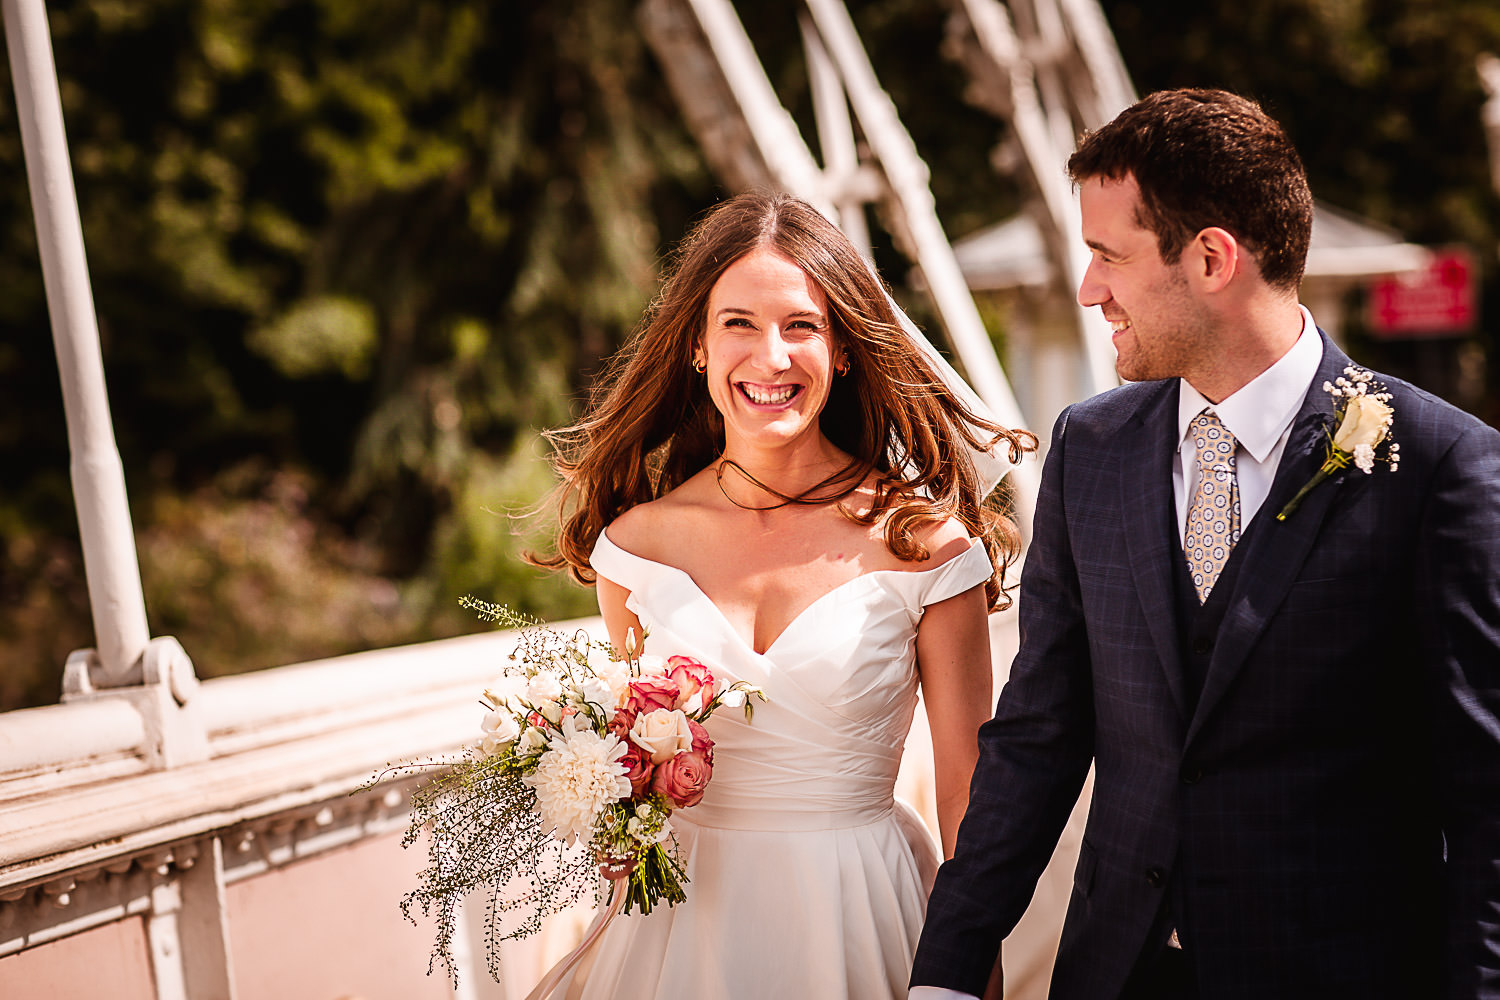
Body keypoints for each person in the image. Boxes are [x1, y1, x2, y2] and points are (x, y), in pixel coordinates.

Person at [911, 88, 1500, 1000]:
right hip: (1118, 974)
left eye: (1108, 255)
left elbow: (1485, 800)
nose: (1087, 288)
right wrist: (947, 973)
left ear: (1213, 258)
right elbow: (1039, 736)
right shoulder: (1090, 449)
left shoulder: (1438, 467)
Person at [533, 189, 1036, 999]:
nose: (771, 358)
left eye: (801, 326)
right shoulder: (635, 548)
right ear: (697, 346)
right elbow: (633, 781)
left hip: (861, 913)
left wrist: (974, 973)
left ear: (842, 350)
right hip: (678, 939)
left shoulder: (926, 546)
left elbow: (967, 788)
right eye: (738, 323)